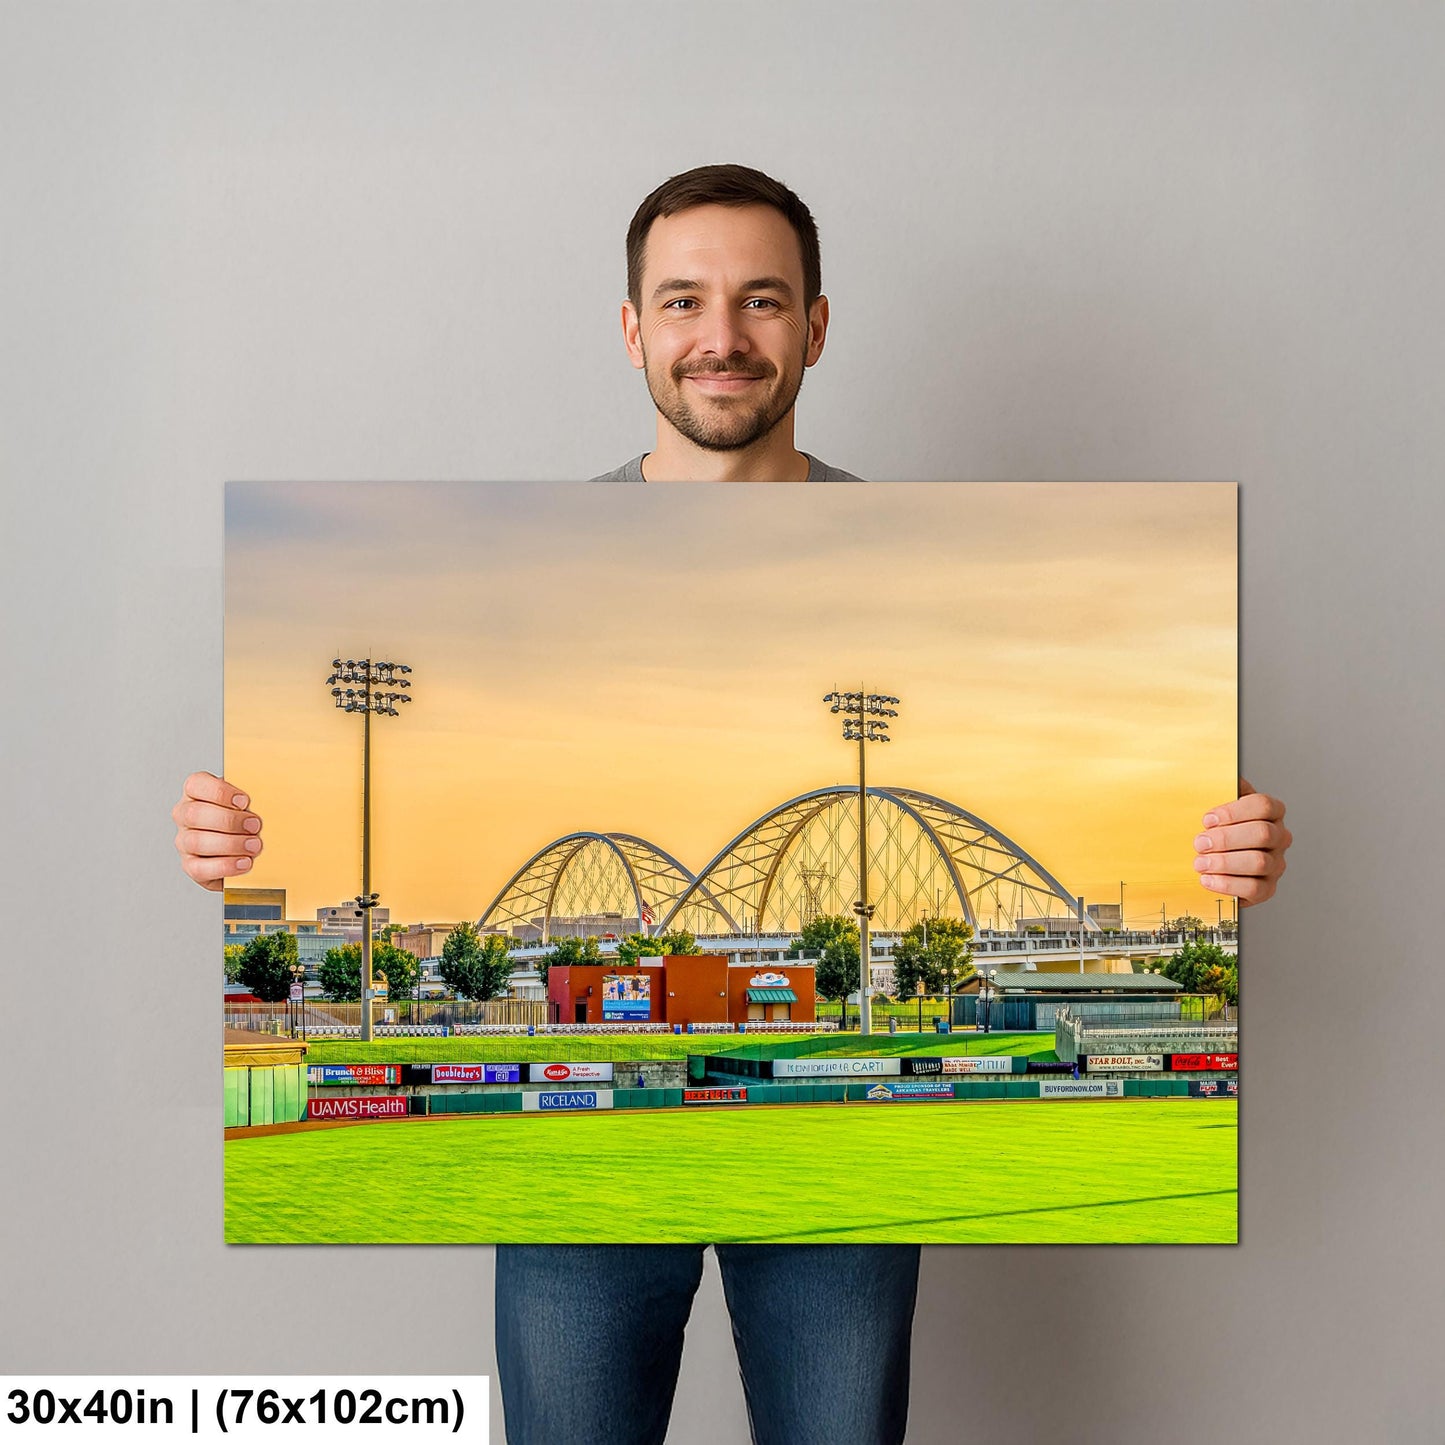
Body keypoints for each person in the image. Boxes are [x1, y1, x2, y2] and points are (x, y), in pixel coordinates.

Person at [174, 165, 1292, 1445]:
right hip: (576, 1187)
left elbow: (1042, 750)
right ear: (632, 327)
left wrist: (1212, 844)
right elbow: (388, 792)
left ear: (814, 326)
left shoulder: (931, 552)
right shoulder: (515, 557)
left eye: (761, 301)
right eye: (684, 300)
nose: (721, 336)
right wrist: (246, 836)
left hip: (834, 1177)